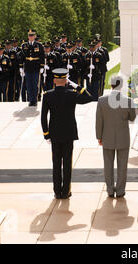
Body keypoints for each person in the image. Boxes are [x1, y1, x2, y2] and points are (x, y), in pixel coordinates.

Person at [41, 68, 95, 199]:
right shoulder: (71, 94)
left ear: (54, 80)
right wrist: (77, 87)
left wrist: (46, 134)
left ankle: (56, 191)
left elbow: (43, 117)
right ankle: (65, 191)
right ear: (66, 81)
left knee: (56, 163)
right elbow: (89, 97)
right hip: (68, 134)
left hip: (54, 134)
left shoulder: (47, 95)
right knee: (67, 164)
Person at [96, 75, 136, 198]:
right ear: (121, 85)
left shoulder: (102, 100)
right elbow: (132, 118)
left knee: (108, 164)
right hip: (123, 137)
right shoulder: (127, 100)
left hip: (107, 137)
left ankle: (109, 190)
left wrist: (99, 137)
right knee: (122, 165)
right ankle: (120, 190)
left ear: (111, 84)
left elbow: (99, 121)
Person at [21, 29, 44, 106]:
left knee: (35, 84)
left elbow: (42, 56)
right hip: (27, 67)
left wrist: (42, 66)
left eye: (32, 35)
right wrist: (21, 67)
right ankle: (31, 100)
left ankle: (35, 99)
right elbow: (22, 57)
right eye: (29, 35)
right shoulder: (24, 45)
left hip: (35, 66)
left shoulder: (39, 45)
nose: (30, 37)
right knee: (28, 84)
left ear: (34, 36)